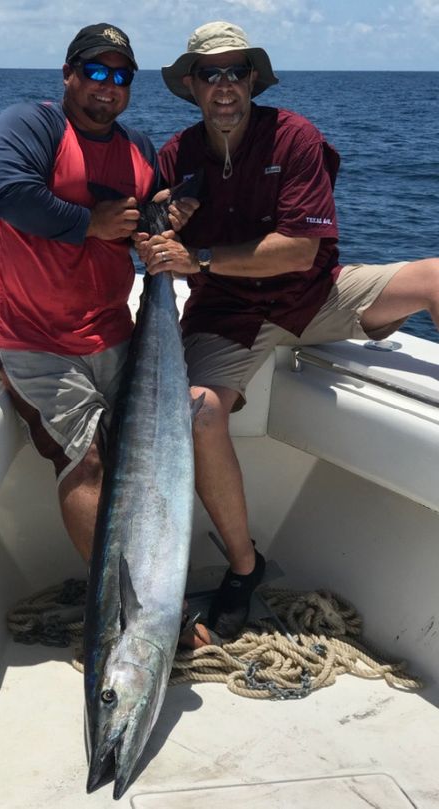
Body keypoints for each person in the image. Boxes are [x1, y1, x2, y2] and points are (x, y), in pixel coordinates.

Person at [135, 21, 439, 640]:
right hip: (228, 318)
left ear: (252, 81)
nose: (224, 86)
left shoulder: (294, 136)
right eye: (210, 74)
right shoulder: (176, 154)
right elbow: (148, 239)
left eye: (236, 73)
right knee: (198, 412)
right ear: (191, 85)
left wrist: (200, 259)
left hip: (313, 298)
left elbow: (301, 251)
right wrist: (162, 218)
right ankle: (244, 568)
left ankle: (381, 315)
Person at [0, 22, 196, 563]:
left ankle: (152, 582)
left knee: (146, 458)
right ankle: (123, 617)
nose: (107, 84)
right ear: (67, 74)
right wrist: (89, 223)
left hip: (117, 333)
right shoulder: (30, 125)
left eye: (121, 75)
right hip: (38, 340)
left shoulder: (139, 150)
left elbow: (144, 230)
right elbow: (9, 193)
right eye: (94, 70)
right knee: (89, 464)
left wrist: (166, 219)